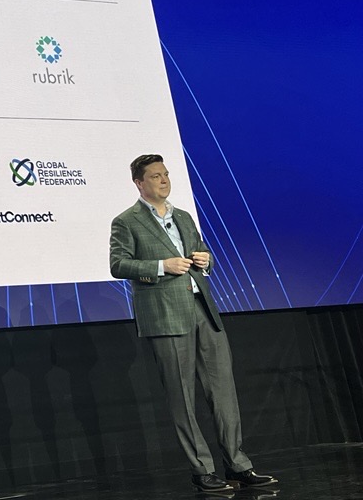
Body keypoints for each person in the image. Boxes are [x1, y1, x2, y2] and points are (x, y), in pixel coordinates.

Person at [109, 154, 276, 493]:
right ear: (139, 183)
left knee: (223, 392)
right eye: (155, 176)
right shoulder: (126, 221)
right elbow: (118, 264)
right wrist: (162, 266)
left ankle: (237, 465)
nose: (164, 180)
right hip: (166, 315)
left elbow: (203, 253)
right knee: (182, 398)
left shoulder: (183, 216)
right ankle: (202, 471)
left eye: (166, 174)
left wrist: (206, 259)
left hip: (203, 310)